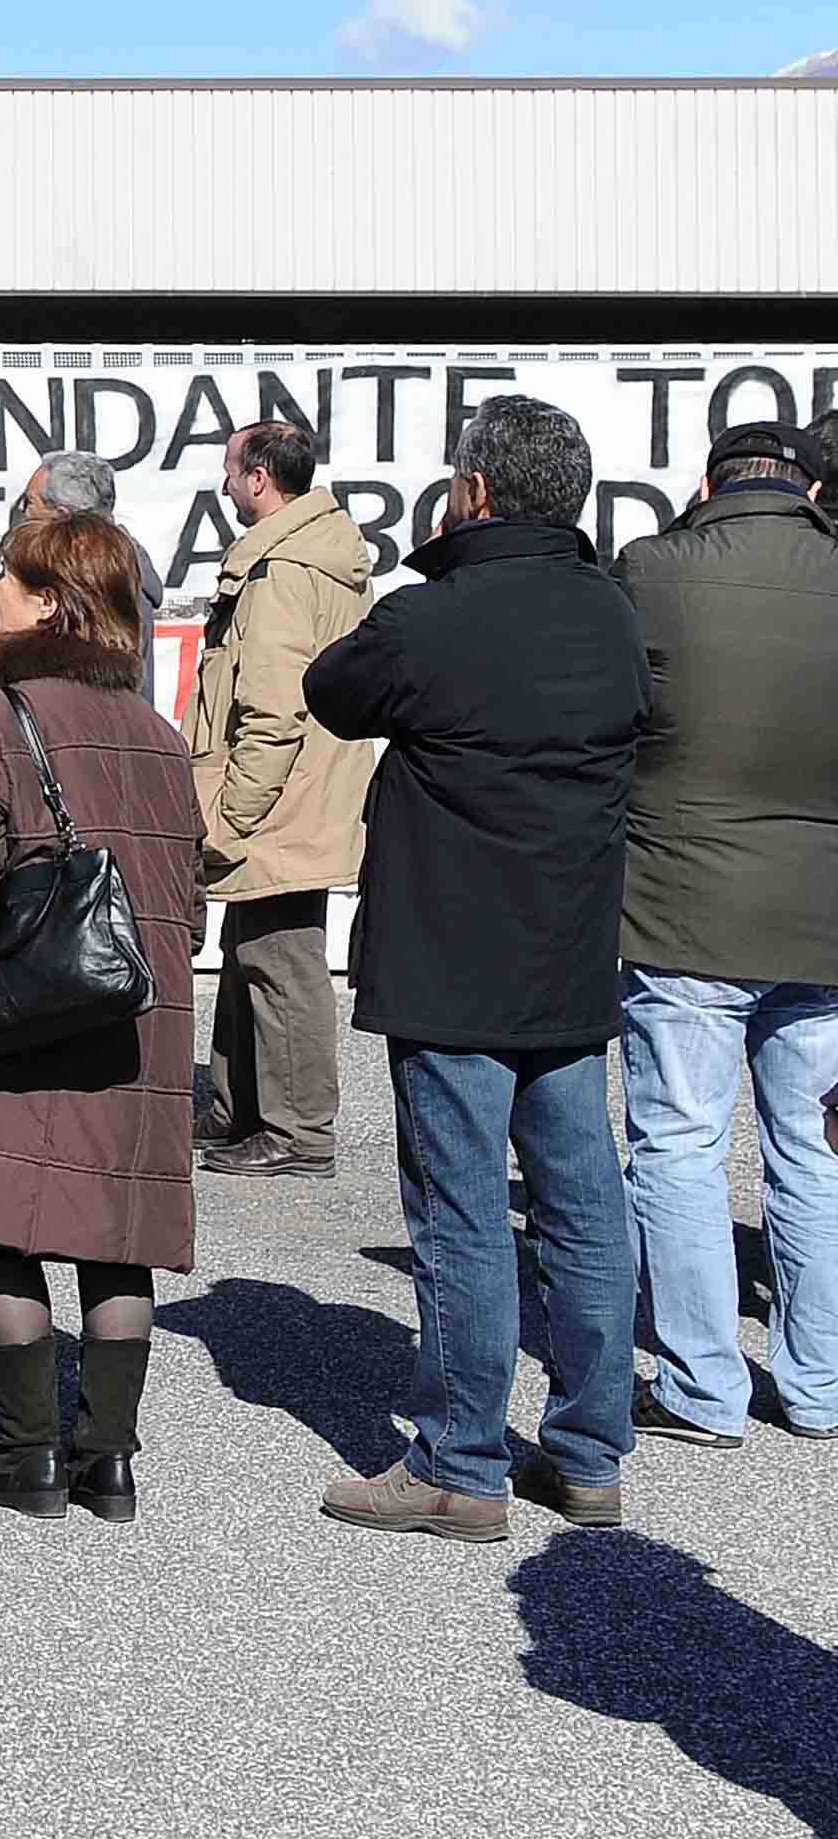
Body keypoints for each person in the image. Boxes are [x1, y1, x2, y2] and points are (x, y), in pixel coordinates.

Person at [305, 394, 646, 1541]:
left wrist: (434, 563)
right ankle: (588, 1454)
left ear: (473, 492)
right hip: (566, 950)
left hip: (451, 959)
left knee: (460, 1212)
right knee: (582, 1205)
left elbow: (330, 690)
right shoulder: (611, 613)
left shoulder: (429, 617)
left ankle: (459, 1462)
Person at [0, 511, 202, 1524]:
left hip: (27, 998)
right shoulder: (158, 733)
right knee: (116, 1232)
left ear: (46, 602)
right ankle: (107, 1462)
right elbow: (186, 893)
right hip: (139, 1003)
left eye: (7, 576)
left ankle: (25, 1455)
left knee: (6, 1219)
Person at [611, 419, 838, 1449]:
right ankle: (820, 1386)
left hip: (681, 905)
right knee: (813, 1154)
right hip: (821, 918)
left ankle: (702, 1389)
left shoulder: (651, 568)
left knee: (679, 1146)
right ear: (808, 490)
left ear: (706, 485)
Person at [186, 419, 370, 1180]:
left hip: (277, 801)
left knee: (282, 963)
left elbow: (271, 710)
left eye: (231, 471)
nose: (226, 484)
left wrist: (232, 816)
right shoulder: (307, 554)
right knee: (249, 951)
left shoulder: (283, 570)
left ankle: (297, 1133)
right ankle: (241, 1110)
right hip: (294, 794)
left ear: (259, 479)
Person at [9, 452, 166, 624]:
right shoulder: (123, 565)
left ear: (61, 516)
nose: (22, 511)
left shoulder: (91, 583)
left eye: (30, 502)